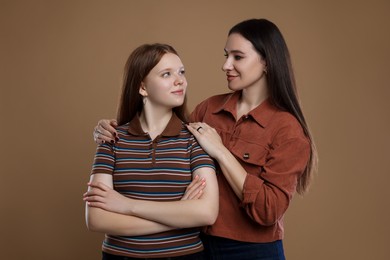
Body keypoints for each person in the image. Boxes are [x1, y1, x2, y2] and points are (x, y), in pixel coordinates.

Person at [93, 19, 318, 260]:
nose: (226, 65)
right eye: (226, 55)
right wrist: (107, 129)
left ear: (266, 62)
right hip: (196, 245)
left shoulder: (288, 130)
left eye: (237, 57)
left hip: (251, 251)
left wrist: (221, 152)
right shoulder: (208, 110)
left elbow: (268, 210)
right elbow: (162, 138)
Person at [84, 43, 219, 260]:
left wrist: (127, 205)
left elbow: (207, 213)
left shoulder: (195, 139)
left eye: (181, 72)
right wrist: (178, 213)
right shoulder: (111, 138)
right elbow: (97, 219)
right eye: (167, 74)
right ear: (143, 88)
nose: (180, 80)